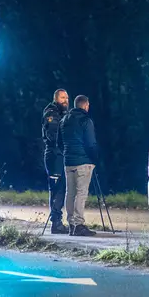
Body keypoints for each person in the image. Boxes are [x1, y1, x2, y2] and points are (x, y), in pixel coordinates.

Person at [58, 94, 99, 236]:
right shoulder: (86, 120)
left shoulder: (64, 120)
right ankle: (78, 224)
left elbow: (59, 142)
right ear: (86, 105)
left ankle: (71, 223)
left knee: (70, 193)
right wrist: (94, 158)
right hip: (83, 161)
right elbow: (91, 143)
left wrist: (67, 153)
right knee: (81, 193)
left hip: (68, 162)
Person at [41, 89, 70, 234]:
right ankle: (56, 223)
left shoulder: (63, 113)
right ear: (56, 98)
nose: (66, 100)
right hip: (54, 155)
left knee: (61, 187)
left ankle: (58, 220)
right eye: (63, 98)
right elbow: (53, 135)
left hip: (59, 154)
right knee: (57, 188)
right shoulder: (51, 113)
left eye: (67, 98)